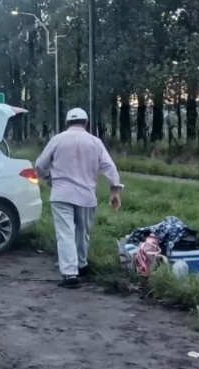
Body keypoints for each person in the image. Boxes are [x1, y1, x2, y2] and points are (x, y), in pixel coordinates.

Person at [35, 108, 123, 289]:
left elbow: (40, 165)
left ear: (66, 123)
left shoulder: (57, 139)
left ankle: (69, 274)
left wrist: (48, 178)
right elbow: (109, 167)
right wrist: (114, 191)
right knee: (83, 232)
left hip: (61, 193)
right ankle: (81, 265)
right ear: (86, 123)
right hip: (86, 195)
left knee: (65, 233)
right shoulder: (95, 142)